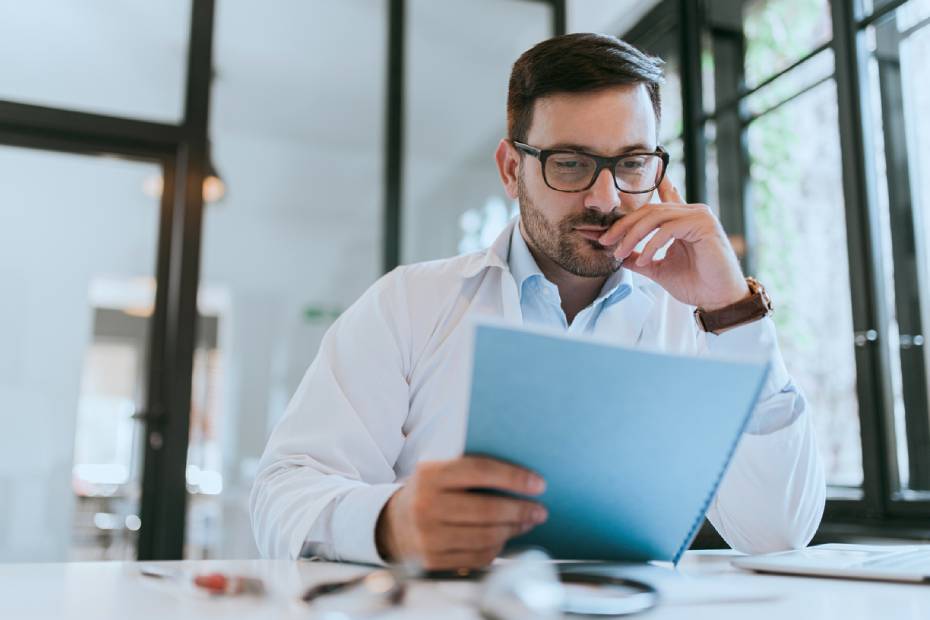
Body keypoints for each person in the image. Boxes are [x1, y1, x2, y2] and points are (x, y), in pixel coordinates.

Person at [251, 33, 825, 570]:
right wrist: (389, 523)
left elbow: (777, 534)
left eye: (631, 164)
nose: (605, 198)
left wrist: (732, 312)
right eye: (571, 164)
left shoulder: (698, 322)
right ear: (511, 169)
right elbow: (284, 492)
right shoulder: (409, 303)